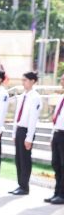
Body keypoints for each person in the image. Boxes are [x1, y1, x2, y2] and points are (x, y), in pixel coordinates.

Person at [11, 71, 42, 196]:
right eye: (22, 80)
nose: (23, 82)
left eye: (25, 80)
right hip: (19, 129)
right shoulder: (22, 96)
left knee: (24, 160)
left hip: (26, 131)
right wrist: (14, 133)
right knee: (18, 159)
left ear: (33, 81)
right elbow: (16, 116)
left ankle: (24, 187)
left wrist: (29, 137)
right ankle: (20, 185)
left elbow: (33, 119)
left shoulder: (35, 97)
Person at [47, 74, 64, 204]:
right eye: (62, 79)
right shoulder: (61, 97)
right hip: (58, 134)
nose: (62, 81)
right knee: (56, 164)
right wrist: (52, 136)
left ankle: (62, 195)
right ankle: (57, 192)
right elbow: (57, 119)